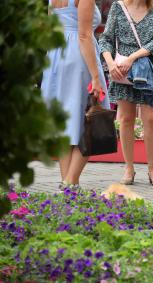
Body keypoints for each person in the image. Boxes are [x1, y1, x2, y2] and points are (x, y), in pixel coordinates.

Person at [41, 0, 110, 189]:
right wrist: (96, 76)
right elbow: (84, 35)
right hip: (79, 57)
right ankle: (70, 184)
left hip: (56, 56)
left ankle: (68, 186)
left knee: (66, 125)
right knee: (90, 122)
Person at [99, 0, 153, 186]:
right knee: (126, 119)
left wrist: (132, 58)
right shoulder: (118, 8)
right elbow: (105, 39)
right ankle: (129, 167)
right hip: (122, 72)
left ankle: (152, 168)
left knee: (151, 119)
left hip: (148, 70)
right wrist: (110, 64)